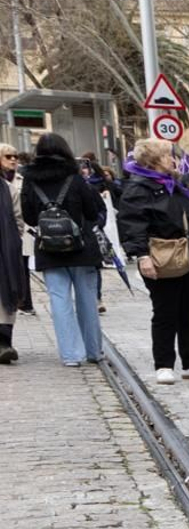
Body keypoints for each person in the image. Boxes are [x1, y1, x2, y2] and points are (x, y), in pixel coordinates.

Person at [118, 138, 189, 384]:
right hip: (163, 256)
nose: (174, 160)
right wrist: (142, 256)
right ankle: (163, 364)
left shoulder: (176, 184)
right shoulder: (139, 188)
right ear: (153, 161)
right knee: (165, 312)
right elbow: (132, 224)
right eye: (168, 155)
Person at [22, 133, 106, 367]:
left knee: (59, 301)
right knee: (87, 300)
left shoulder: (30, 180)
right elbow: (91, 212)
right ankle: (93, 351)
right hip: (81, 249)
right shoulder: (75, 177)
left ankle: (70, 355)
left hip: (49, 249)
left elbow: (29, 217)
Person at [0, 143, 31, 316]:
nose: (13, 160)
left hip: (16, 237)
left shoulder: (20, 180)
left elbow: (19, 216)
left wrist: (15, 236)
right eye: (8, 156)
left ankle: (25, 303)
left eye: (15, 156)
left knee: (21, 270)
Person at [0, 167, 21, 364]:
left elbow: (18, 220)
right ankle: (4, 343)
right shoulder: (7, 188)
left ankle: (3, 343)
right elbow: (18, 221)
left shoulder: (8, 188)